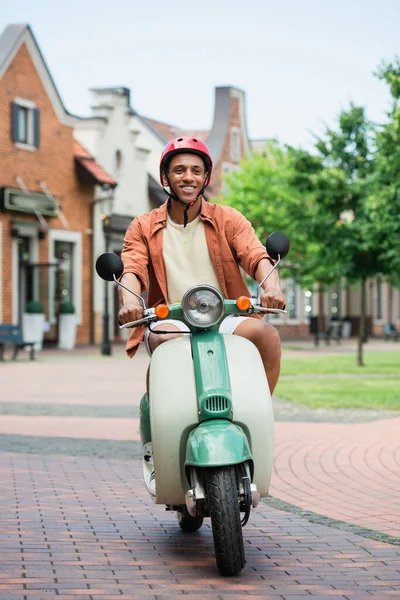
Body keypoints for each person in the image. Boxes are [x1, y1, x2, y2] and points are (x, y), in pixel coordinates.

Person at [118, 137, 285, 393]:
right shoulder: (143, 226)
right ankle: (164, 421)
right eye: (179, 170)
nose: (188, 177)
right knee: (167, 339)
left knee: (267, 335)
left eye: (196, 171)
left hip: (226, 315)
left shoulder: (228, 219)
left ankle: (259, 413)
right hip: (171, 317)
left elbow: (256, 255)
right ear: (165, 177)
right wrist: (130, 303)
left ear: (205, 178)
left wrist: (272, 288)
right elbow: (132, 268)